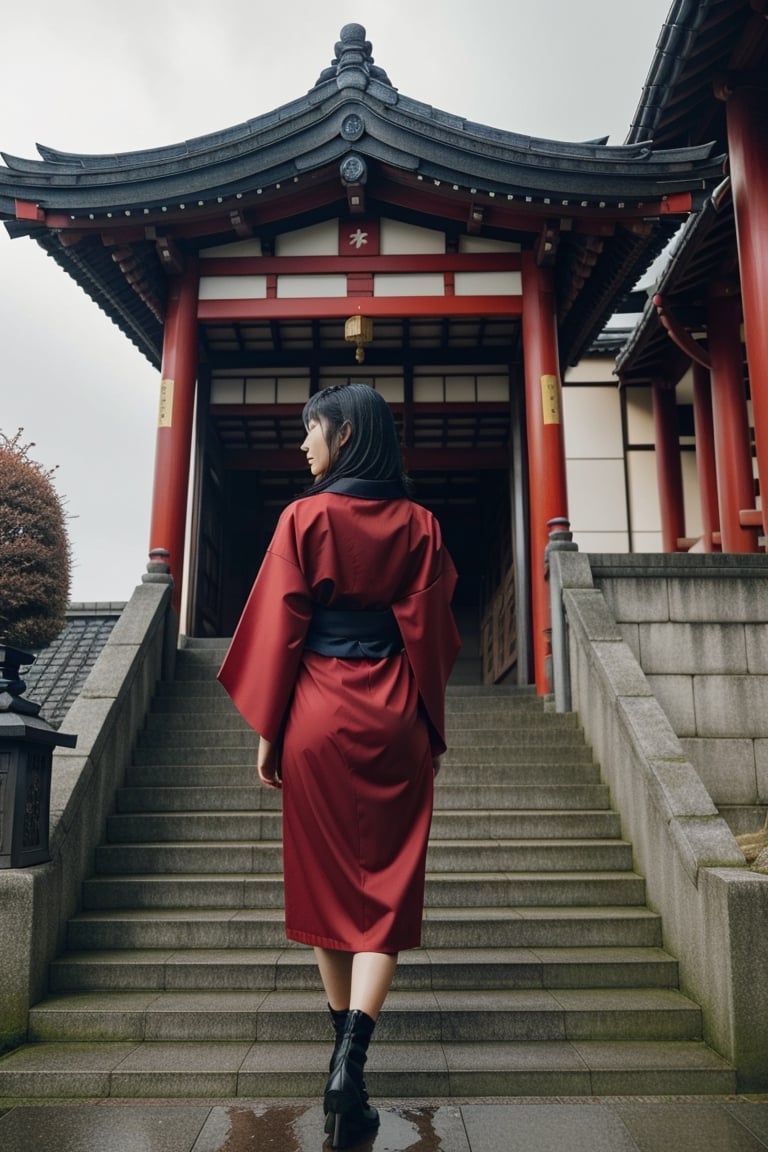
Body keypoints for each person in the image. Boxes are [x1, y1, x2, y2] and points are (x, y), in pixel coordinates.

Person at [218, 382, 460, 1148]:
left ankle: (339, 1061)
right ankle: (351, 1061)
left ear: (345, 435)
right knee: (384, 888)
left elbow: (280, 625)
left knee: (323, 883)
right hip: (393, 709)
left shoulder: (304, 517)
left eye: (312, 430)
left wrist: (270, 728)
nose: (303, 445)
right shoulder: (421, 524)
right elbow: (435, 635)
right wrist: (427, 723)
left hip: (317, 711)